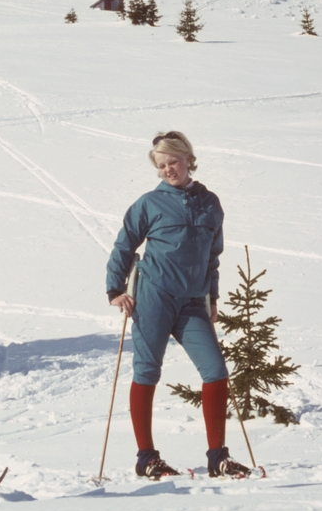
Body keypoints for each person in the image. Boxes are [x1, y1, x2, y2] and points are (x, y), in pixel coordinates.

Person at [105, 131, 251, 480]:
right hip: (154, 298)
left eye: (173, 161)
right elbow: (124, 246)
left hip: (192, 303)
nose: (168, 169)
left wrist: (212, 297)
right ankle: (147, 458)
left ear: (188, 158)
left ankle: (218, 458)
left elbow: (212, 255)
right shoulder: (148, 204)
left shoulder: (210, 203)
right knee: (147, 372)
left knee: (216, 372)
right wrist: (115, 289)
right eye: (162, 165)